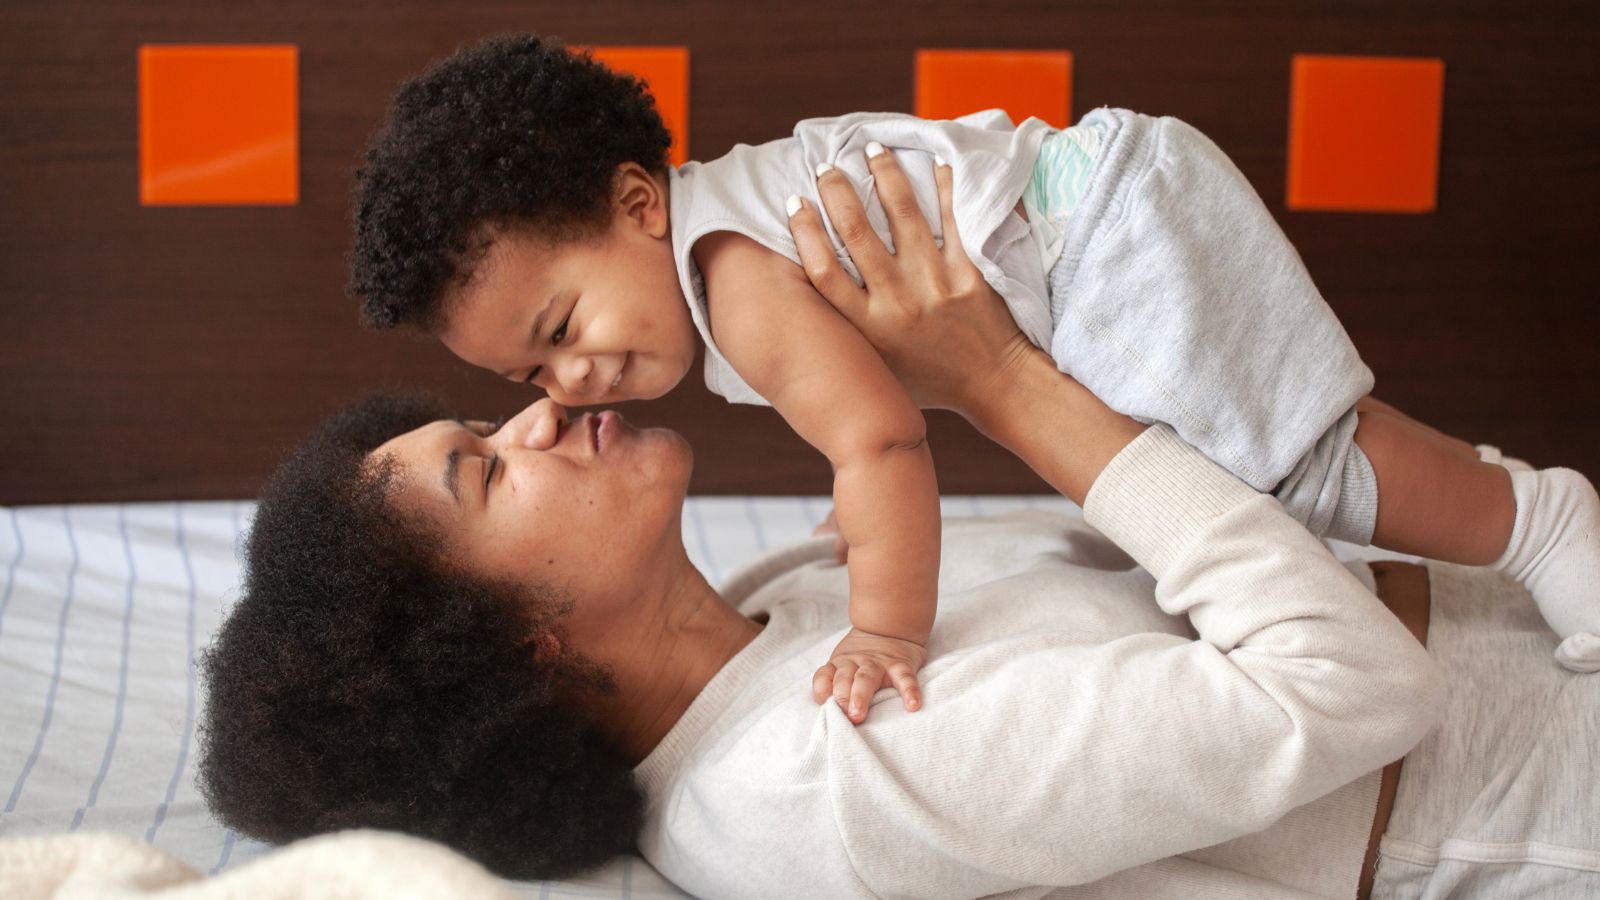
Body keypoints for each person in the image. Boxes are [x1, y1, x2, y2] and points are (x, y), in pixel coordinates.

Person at [203, 147, 1598, 899]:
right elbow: (1363, 688)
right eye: (490, 465)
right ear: (525, 651)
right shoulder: (815, 784)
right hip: (1539, 776)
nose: (543, 413)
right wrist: (1002, 380)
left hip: (1522, 622)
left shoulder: (776, 597)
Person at [346, 35, 1599, 701]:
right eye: (534, 376)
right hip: (1106, 202)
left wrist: (887, 630)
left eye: (561, 330)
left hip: (1105, 235)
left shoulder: (727, 273)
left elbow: (880, 440)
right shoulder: (718, 247)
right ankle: (1499, 510)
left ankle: (1538, 523)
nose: (569, 389)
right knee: (1264, 475)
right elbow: (868, 424)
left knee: (1299, 471)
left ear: (635, 205)